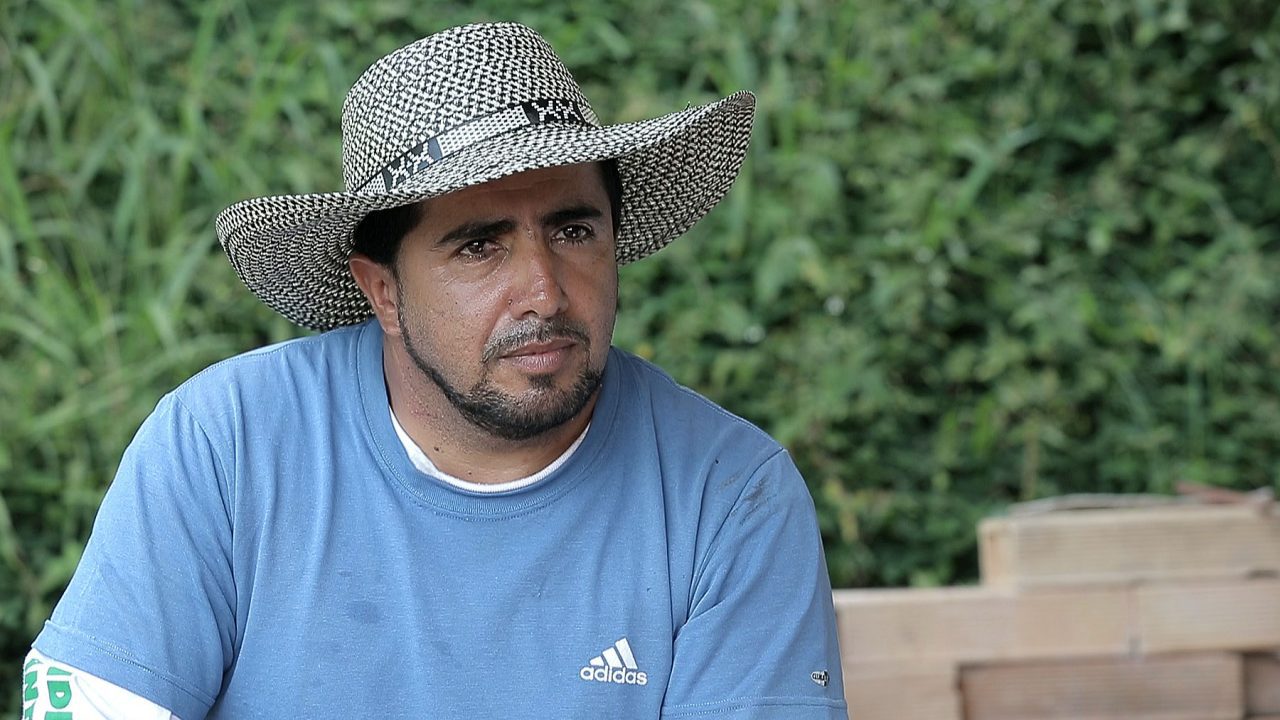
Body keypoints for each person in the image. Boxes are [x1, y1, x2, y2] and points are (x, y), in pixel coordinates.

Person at [22, 22, 847, 719]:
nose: (545, 291)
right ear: (381, 289)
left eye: (573, 230)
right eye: (479, 245)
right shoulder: (226, 443)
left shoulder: (728, 493)